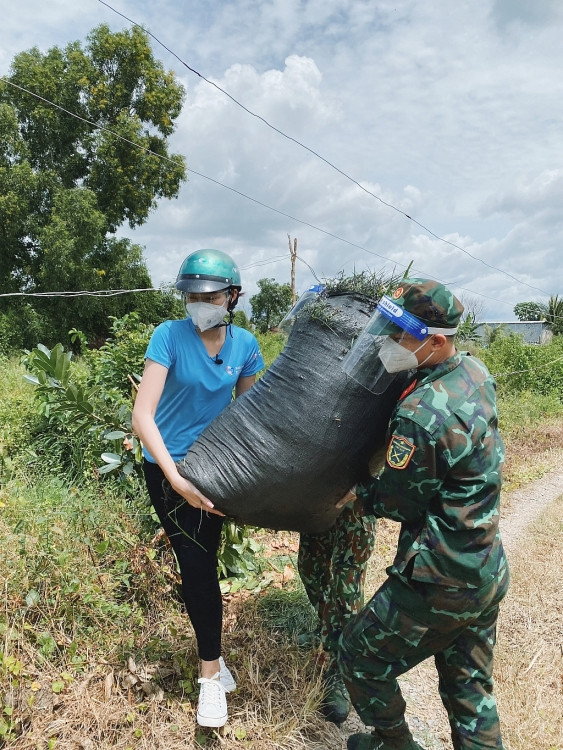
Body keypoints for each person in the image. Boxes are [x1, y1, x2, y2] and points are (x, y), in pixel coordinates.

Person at [336, 279, 509, 750]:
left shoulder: (419, 415)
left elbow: (397, 502)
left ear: (436, 340)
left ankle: (395, 743)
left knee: (358, 656)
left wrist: (357, 494)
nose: (390, 343)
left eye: (400, 336)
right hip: (485, 564)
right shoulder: (474, 372)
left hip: (441, 579)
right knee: (469, 687)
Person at [132, 249, 264, 729]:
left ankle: (214, 656)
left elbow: (248, 416)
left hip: (216, 468)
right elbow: (142, 416)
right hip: (168, 468)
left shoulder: (246, 344)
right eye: (190, 295)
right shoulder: (168, 337)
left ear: (232, 296)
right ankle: (211, 675)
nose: (198, 303)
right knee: (196, 563)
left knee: (203, 559)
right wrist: (175, 479)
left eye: (208, 295)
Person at [297, 506, 377, 724]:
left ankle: (340, 670)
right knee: (310, 568)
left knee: (346, 588)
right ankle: (325, 630)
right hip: (323, 499)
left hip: (358, 502)